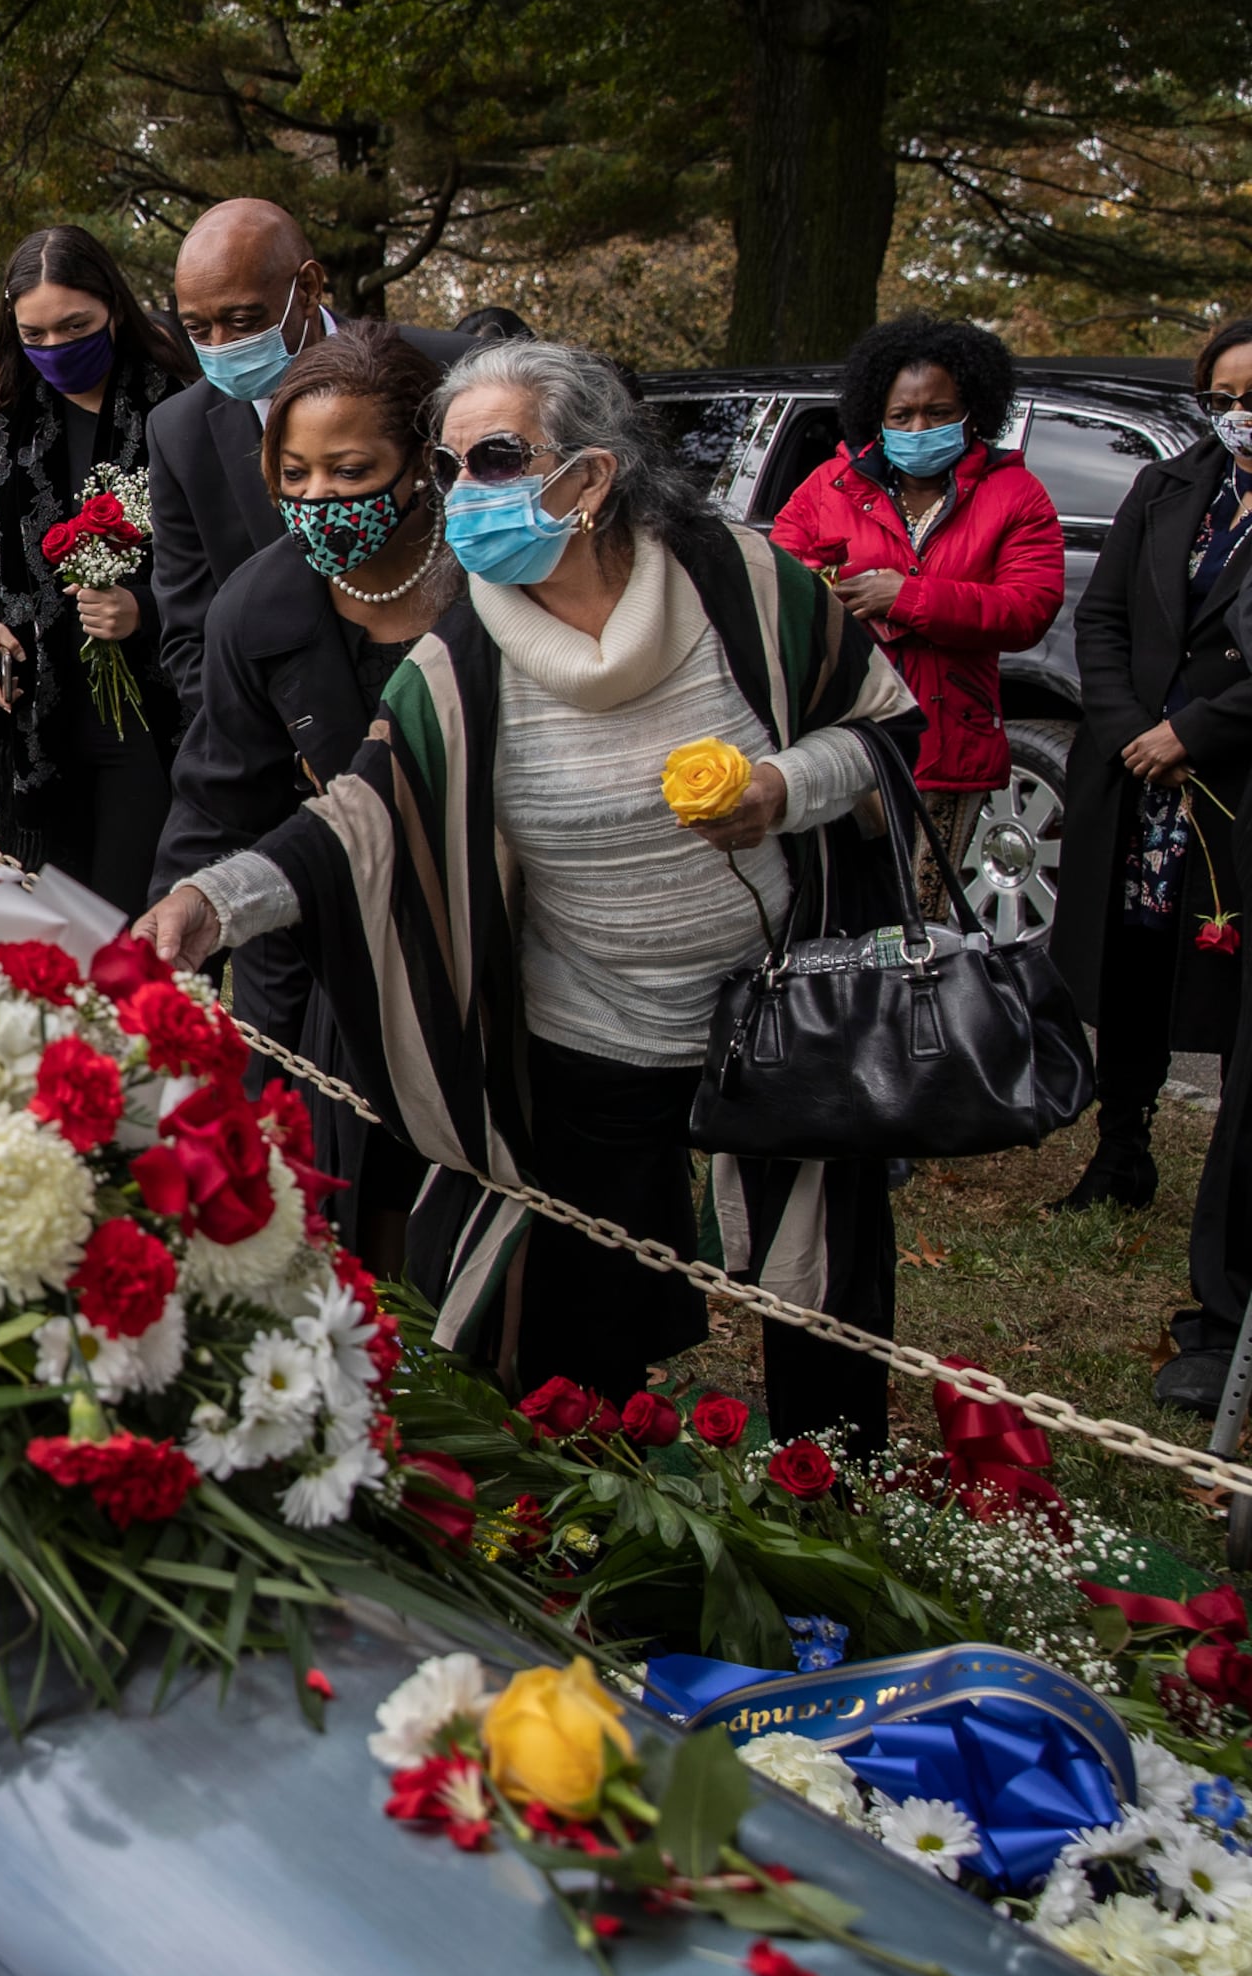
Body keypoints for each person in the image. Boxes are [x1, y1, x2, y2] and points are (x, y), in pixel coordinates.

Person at [133, 338, 920, 1453]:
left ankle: (837, 1488)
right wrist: (210, 905)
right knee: (577, 1321)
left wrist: (781, 791)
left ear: (590, 475)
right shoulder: (462, 652)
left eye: (496, 459)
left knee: (822, 1287)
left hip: (785, 1010)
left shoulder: (740, 583)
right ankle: (601, 1500)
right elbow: (358, 819)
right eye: (449, 468)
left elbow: (882, 731)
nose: (465, 494)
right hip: (588, 1028)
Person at [149, 321, 455, 1264]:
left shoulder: (489, 588)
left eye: (351, 472)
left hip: (489, 945)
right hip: (320, 940)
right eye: (294, 476)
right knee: (334, 1197)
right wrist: (176, 929)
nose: (319, 499)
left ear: (421, 464)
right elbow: (220, 799)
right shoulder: (257, 606)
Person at [1060, 321, 1252, 1384]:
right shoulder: (1171, 485)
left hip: (1229, 783)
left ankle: (1231, 1179)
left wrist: (1195, 733)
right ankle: (1120, 1146)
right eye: (1224, 396)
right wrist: (1132, 728)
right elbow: (1101, 619)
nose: (1240, 413)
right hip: (1136, 774)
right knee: (1130, 955)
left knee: (1218, 972)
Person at [767, 316, 1060, 918]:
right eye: (902, 416)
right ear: (876, 416)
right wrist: (828, 593)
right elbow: (776, 583)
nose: (919, 429)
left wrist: (905, 598)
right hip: (842, 737)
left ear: (972, 412)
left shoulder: (1016, 495)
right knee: (835, 914)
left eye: (938, 412)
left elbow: (1027, 609)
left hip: (949, 741)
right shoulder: (828, 487)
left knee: (920, 924)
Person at [0, 225, 193, 909]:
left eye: (75, 326)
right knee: (40, 938)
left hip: (150, 727)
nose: (56, 347)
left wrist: (145, 608)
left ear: (114, 308)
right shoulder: (0, 434)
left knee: (132, 928)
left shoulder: (179, 415)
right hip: (31, 729)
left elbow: (230, 574)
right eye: (36, 335)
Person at [150, 198, 452, 716]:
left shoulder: (449, 374)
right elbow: (189, 635)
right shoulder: (179, 432)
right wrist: (270, 738)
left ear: (308, 289)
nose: (221, 346)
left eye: (242, 320)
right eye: (197, 330)